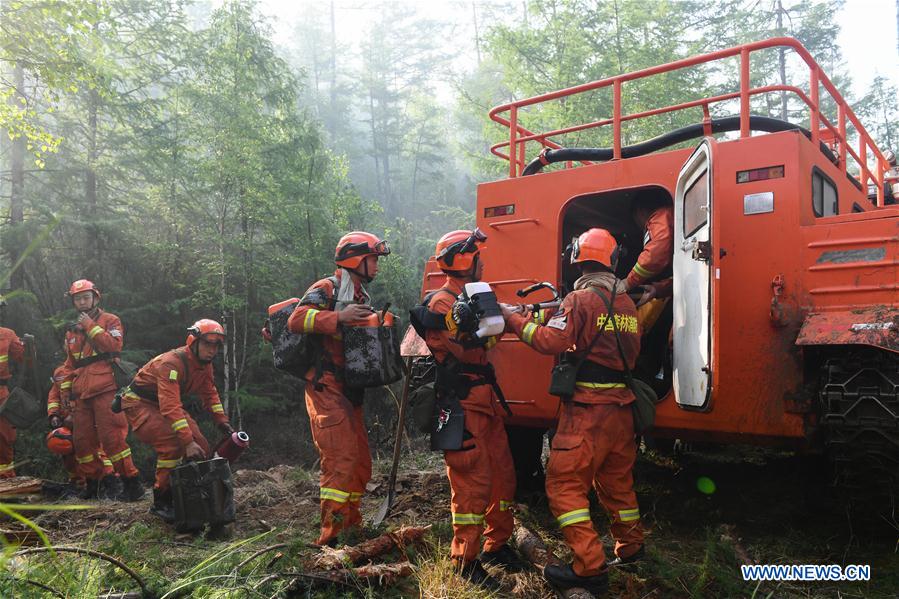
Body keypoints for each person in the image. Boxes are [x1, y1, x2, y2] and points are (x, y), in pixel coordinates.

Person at [501, 228, 645, 595]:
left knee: (564, 486)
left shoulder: (579, 300)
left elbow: (552, 341)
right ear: (612, 261)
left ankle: (590, 567)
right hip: (622, 412)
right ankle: (631, 547)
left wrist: (514, 320)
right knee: (617, 484)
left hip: (587, 413)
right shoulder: (627, 304)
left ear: (578, 259)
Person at [416, 229, 518, 588]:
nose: (483, 260)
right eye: (478, 255)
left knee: (503, 476)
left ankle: (496, 543)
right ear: (465, 259)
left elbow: (490, 338)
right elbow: (460, 348)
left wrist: (496, 320)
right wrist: (481, 328)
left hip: (484, 401)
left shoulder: (473, 295)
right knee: (471, 485)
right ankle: (465, 560)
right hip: (461, 403)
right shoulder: (440, 304)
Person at [287, 232, 389, 546]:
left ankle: (351, 527)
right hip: (325, 387)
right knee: (340, 459)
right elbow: (296, 320)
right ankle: (331, 537)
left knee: (360, 461)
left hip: (350, 389)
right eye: (373, 260)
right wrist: (338, 317)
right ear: (356, 259)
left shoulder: (360, 297)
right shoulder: (327, 288)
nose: (377, 267)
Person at [121, 319, 234, 522]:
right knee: (173, 443)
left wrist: (221, 421)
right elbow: (170, 406)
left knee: (202, 447)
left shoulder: (204, 365)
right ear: (194, 341)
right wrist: (186, 442)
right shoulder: (171, 363)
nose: (212, 350)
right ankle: (162, 500)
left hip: (163, 404)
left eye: (216, 345)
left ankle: (189, 495)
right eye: (208, 344)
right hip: (140, 404)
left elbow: (210, 394)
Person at [63, 279, 142, 500]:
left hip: (105, 386)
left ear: (95, 298)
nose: (82, 301)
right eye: (77, 298)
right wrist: (66, 393)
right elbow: (70, 365)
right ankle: (94, 484)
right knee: (82, 441)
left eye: (86, 297)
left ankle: (131, 482)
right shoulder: (71, 332)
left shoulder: (111, 320)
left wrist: (90, 325)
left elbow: (113, 346)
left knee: (112, 438)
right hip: (81, 391)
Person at [47, 364, 114, 487]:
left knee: (94, 449)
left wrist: (73, 415)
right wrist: (54, 415)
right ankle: (78, 481)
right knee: (64, 450)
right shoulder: (59, 372)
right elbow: (54, 396)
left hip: (83, 418)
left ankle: (108, 479)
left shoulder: (84, 369)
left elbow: (84, 396)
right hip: (65, 422)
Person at [0, 296, 25, 478]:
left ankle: (7, 485)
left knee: (4, 438)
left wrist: (29, 347)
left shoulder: (7, 334)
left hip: (1, 393)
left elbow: (25, 360)